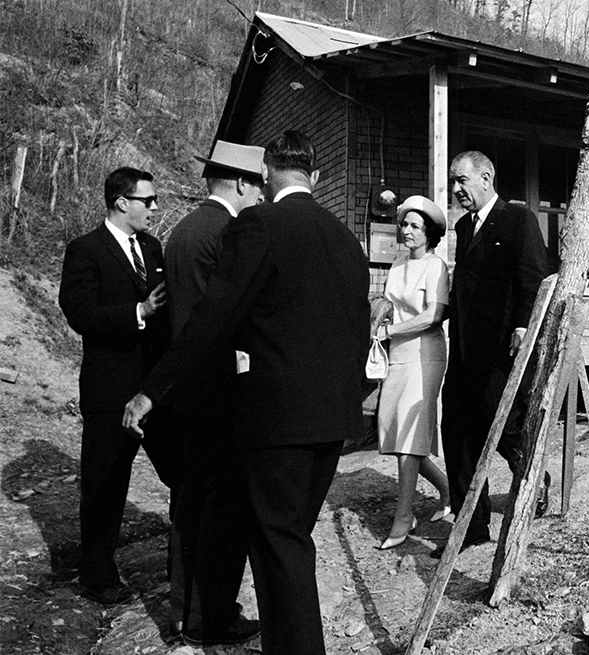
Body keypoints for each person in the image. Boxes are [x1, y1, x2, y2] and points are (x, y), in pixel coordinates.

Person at [123, 131, 371, 655]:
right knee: (291, 540)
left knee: (280, 546)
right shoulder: (346, 238)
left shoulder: (259, 224)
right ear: (316, 176)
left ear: (264, 174)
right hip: (334, 420)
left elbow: (214, 318)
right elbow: (358, 328)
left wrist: (153, 389)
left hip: (277, 420)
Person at [58, 167, 178, 606]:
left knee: (180, 473)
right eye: (148, 200)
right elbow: (80, 314)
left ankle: (180, 570)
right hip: (109, 391)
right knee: (105, 486)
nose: (154, 207)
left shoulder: (152, 246)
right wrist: (138, 311)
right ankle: (98, 576)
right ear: (122, 202)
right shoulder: (85, 250)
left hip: (154, 390)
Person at [161, 141, 264, 646]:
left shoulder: (182, 229)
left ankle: (183, 608)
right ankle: (211, 616)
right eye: (258, 186)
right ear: (242, 183)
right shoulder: (227, 232)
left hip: (183, 389)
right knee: (219, 509)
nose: (260, 195)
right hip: (218, 388)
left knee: (188, 502)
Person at [441, 151, 550, 557]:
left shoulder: (518, 220)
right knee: (457, 432)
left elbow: (532, 277)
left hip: (503, 349)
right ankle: (471, 526)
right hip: (465, 349)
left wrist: (524, 328)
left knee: (504, 428)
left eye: (462, 180)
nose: (456, 189)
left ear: (486, 177)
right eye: (454, 181)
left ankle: (533, 479)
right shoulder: (464, 227)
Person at [374, 195, 452, 550]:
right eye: (404, 224)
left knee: (409, 438)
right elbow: (391, 305)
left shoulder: (436, 266)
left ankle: (403, 518)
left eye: (415, 226)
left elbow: (433, 315)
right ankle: (448, 488)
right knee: (398, 437)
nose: (406, 230)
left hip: (426, 355)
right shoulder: (397, 266)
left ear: (429, 233)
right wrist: (380, 315)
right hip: (397, 355)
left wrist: (392, 330)